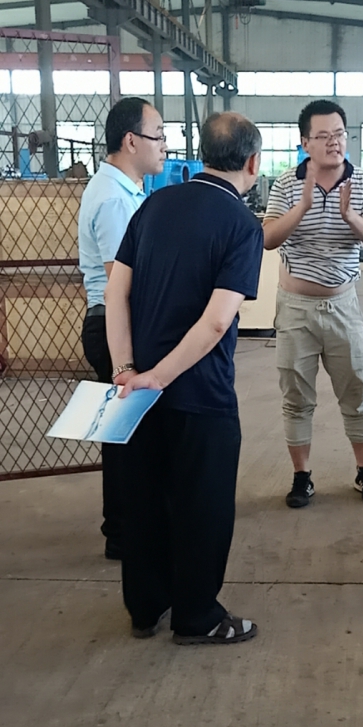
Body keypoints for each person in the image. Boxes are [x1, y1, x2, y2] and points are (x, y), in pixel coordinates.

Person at [105, 112, 263, 645]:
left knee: (145, 501)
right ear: (252, 163)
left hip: (137, 394)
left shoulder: (154, 205)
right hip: (200, 393)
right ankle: (197, 617)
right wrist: (160, 376)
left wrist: (128, 370)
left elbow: (115, 291)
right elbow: (217, 321)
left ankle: (145, 608)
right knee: (203, 506)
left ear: (201, 153)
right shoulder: (242, 224)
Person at [263, 99, 363, 508]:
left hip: (343, 307)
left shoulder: (362, 183)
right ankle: (302, 477)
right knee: (296, 396)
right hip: (296, 308)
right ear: (305, 143)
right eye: (323, 136)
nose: (334, 142)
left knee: (355, 389)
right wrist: (302, 206)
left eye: (339, 134)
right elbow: (268, 238)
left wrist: (350, 216)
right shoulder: (286, 184)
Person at [78, 97, 166, 559]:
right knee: (125, 437)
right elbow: (120, 285)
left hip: (120, 324)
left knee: (126, 434)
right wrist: (125, 359)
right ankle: (123, 533)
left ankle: (125, 527)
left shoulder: (127, 191)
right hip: (116, 328)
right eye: (158, 136)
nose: (164, 146)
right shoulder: (114, 199)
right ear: (131, 141)